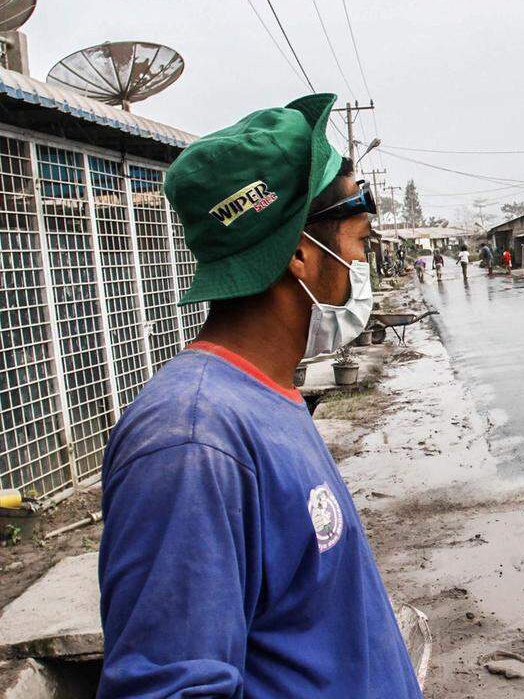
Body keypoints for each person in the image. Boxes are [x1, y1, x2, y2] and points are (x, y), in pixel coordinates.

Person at [97, 94, 423, 698]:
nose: (361, 265)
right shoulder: (193, 441)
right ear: (300, 252)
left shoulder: (264, 397)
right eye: (357, 244)